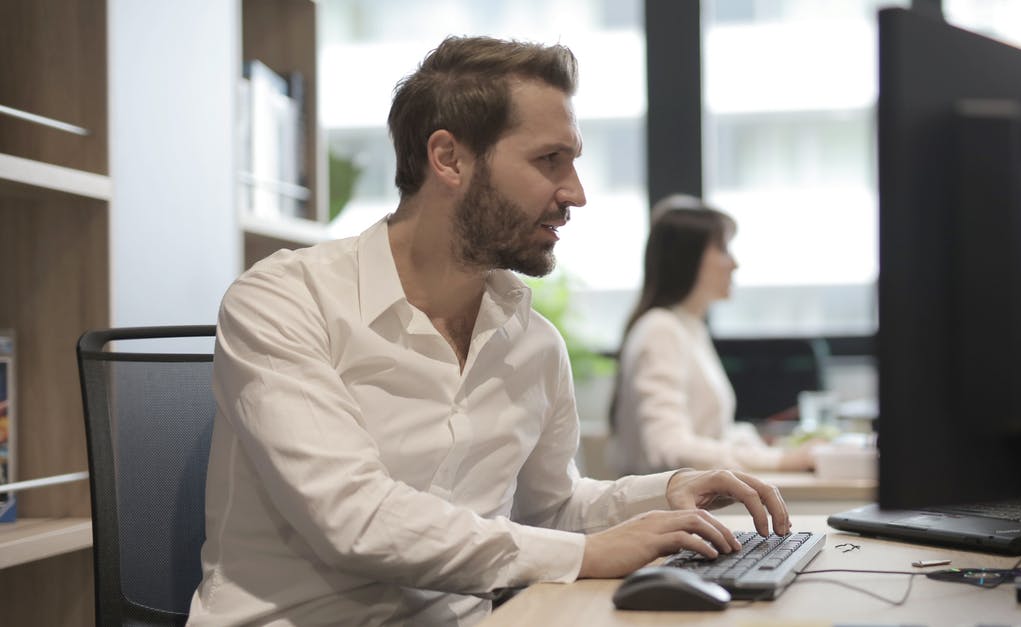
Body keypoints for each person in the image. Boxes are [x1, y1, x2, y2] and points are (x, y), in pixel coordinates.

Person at [187, 36, 791, 626]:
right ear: (448, 158)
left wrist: (669, 494)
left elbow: (551, 509)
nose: (575, 194)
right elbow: (356, 519)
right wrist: (586, 555)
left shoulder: (533, 343)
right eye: (548, 160)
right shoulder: (284, 300)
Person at [608, 195, 821, 476]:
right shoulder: (660, 329)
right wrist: (779, 461)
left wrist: (774, 451)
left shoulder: (689, 327)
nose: (734, 263)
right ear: (688, 258)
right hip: (672, 510)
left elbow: (713, 433)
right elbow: (668, 446)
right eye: (723, 249)